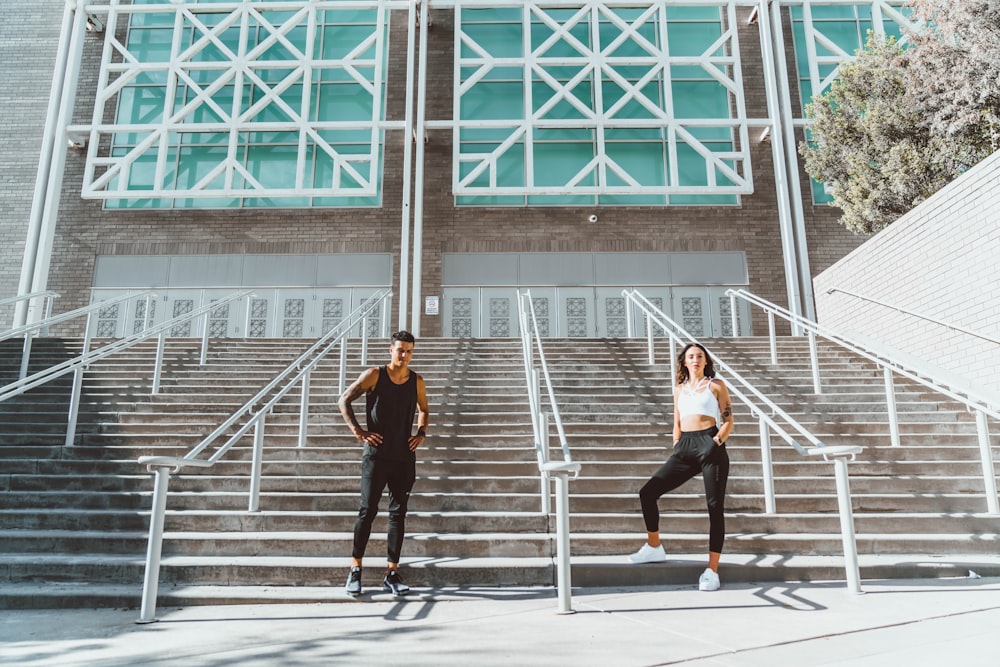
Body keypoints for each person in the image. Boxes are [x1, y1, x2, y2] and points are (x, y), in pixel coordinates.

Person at [626, 342, 733, 592]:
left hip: (710, 444)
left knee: (714, 507)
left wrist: (716, 442)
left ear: (706, 361)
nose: (695, 360)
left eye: (700, 356)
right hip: (684, 446)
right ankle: (654, 547)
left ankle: (712, 570)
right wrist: (676, 443)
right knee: (648, 493)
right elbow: (676, 421)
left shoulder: (716, 385)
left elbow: (728, 420)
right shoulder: (679, 390)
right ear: (684, 362)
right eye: (691, 356)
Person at [338, 330, 429, 597]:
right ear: (391, 350)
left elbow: (424, 409)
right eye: (400, 350)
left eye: (409, 351)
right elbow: (344, 400)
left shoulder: (417, 382)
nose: (404, 355)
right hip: (376, 455)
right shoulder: (374, 375)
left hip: (403, 457)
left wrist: (420, 434)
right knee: (367, 511)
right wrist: (359, 432)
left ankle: (392, 572)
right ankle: (355, 569)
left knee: (398, 514)